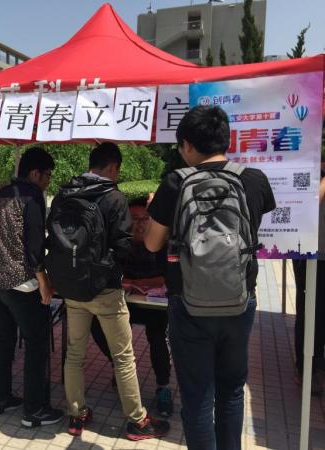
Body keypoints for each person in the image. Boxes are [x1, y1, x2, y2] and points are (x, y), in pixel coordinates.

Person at [145, 105, 275, 450]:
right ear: (225, 139)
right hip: (239, 300)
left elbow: (152, 243)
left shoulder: (175, 182)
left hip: (188, 303)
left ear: (187, 144)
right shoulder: (254, 179)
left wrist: (157, 208)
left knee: (197, 396)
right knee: (231, 390)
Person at [56, 143, 169, 440]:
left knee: (75, 354)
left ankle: (76, 415)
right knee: (124, 357)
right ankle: (137, 421)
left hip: (71, 287)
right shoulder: (113, 196)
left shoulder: (65, 193)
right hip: (104, 290)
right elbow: (123, 245)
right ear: (113, 167)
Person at [0, 147, 63, 428]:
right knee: (36, 343)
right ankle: (34, 410)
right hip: (21, 283)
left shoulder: (0, 194)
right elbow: (34, 245)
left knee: (4, 340)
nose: (48, 181)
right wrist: (44, 282)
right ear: (34, 173)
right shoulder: (32, 196)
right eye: (47, 175)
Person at [90, 197, 173, 417]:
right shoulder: (119, 242)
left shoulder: (161, 244)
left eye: (145, 219)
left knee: (158, 337)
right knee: (96, 323)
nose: (140, 224)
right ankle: (121, 367)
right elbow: (111, 274)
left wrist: (135, 282)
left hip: (154, 306)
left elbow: (165, 278)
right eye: (134, 219)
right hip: (125, 303)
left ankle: (163, 387)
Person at [293, 164, 325, 393]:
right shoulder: (312, 167)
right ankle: (307, 369)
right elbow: (310, 203)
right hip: (313, 253)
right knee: (312, 312)